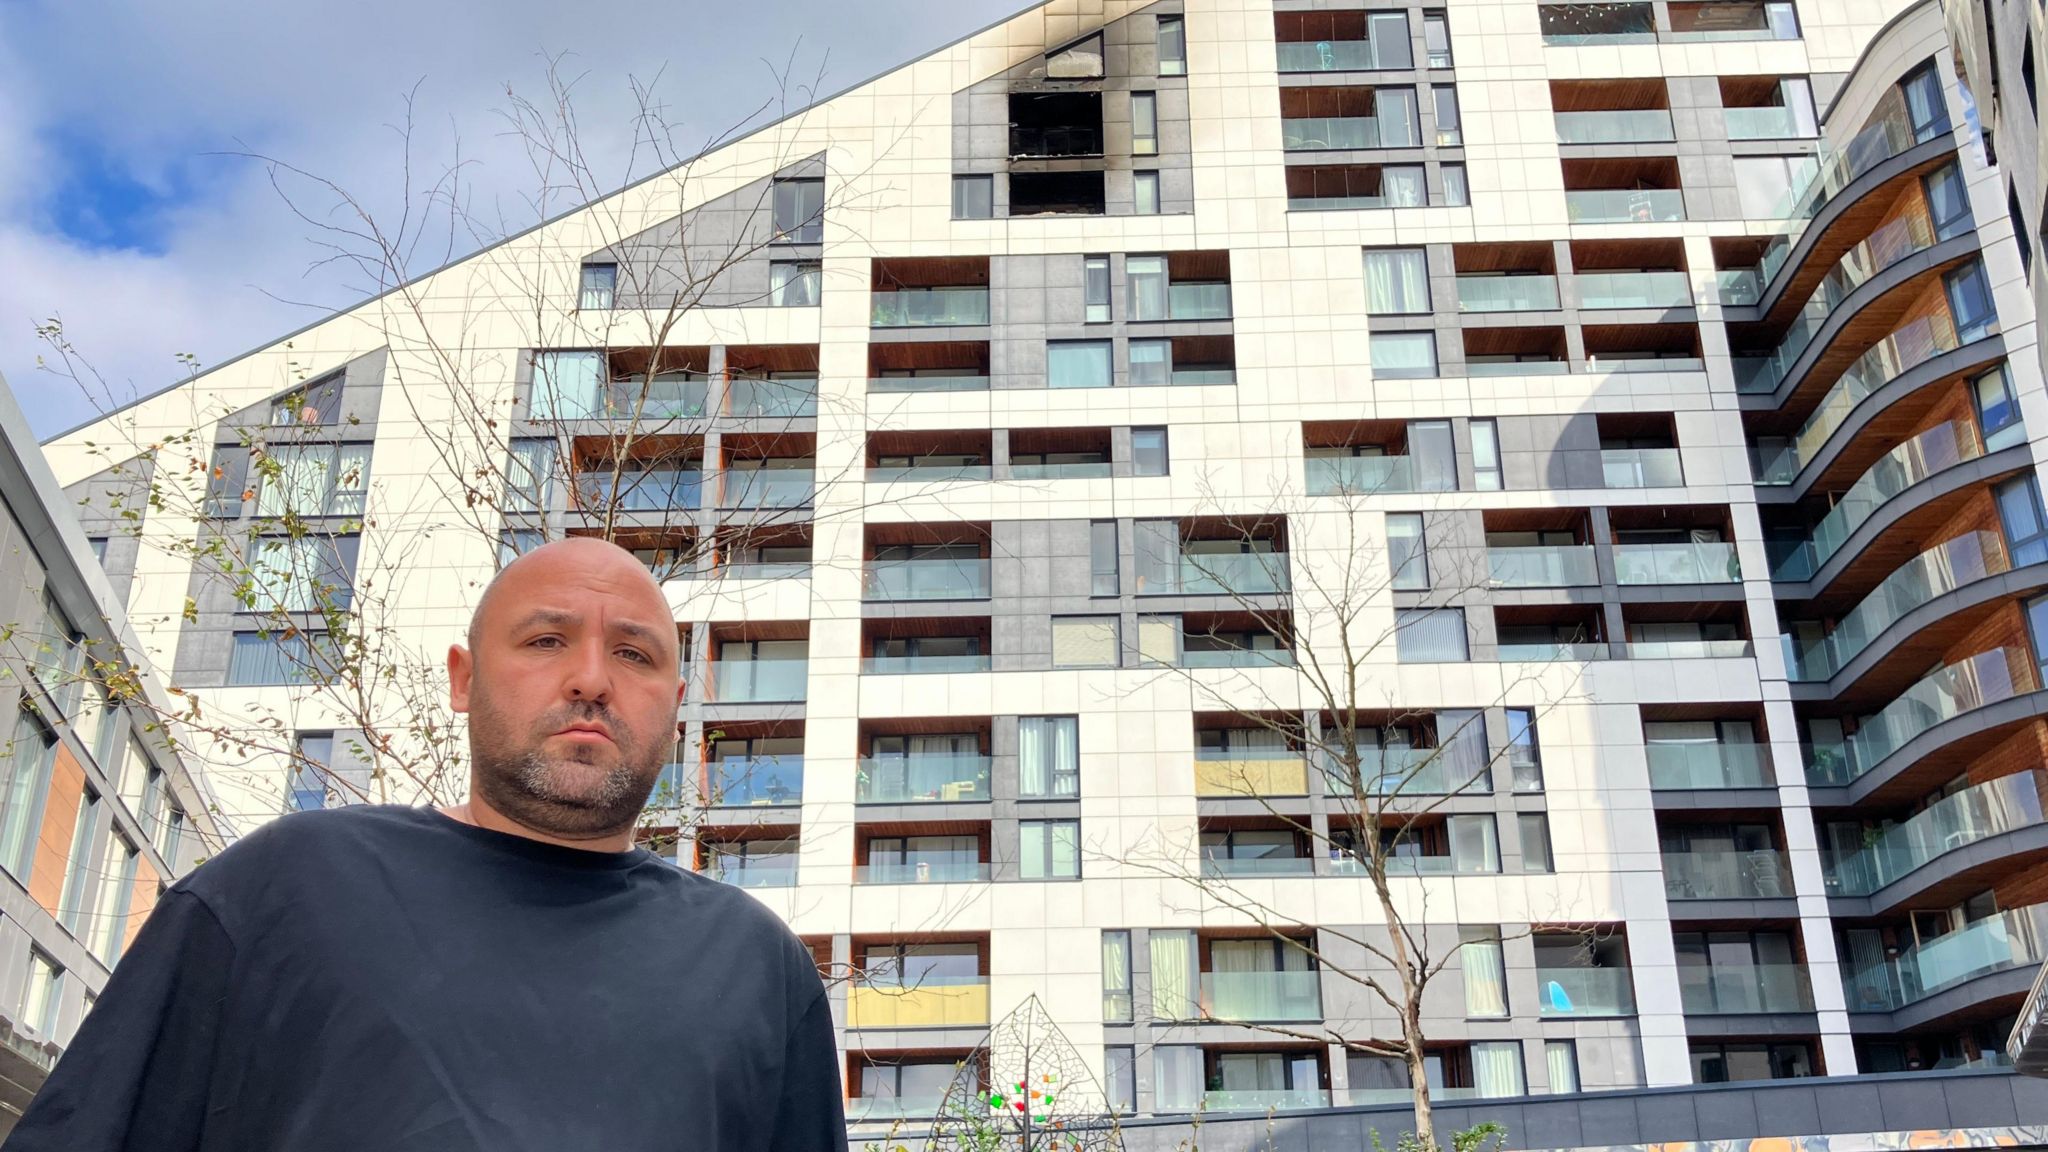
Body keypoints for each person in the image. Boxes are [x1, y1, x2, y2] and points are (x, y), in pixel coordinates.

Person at [6, 537, 847, 1151]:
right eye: (547, 640)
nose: (592, 677)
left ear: (676, 701)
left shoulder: (760, 971)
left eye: (634, 654)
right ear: (464, 678)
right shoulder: (281, 891)